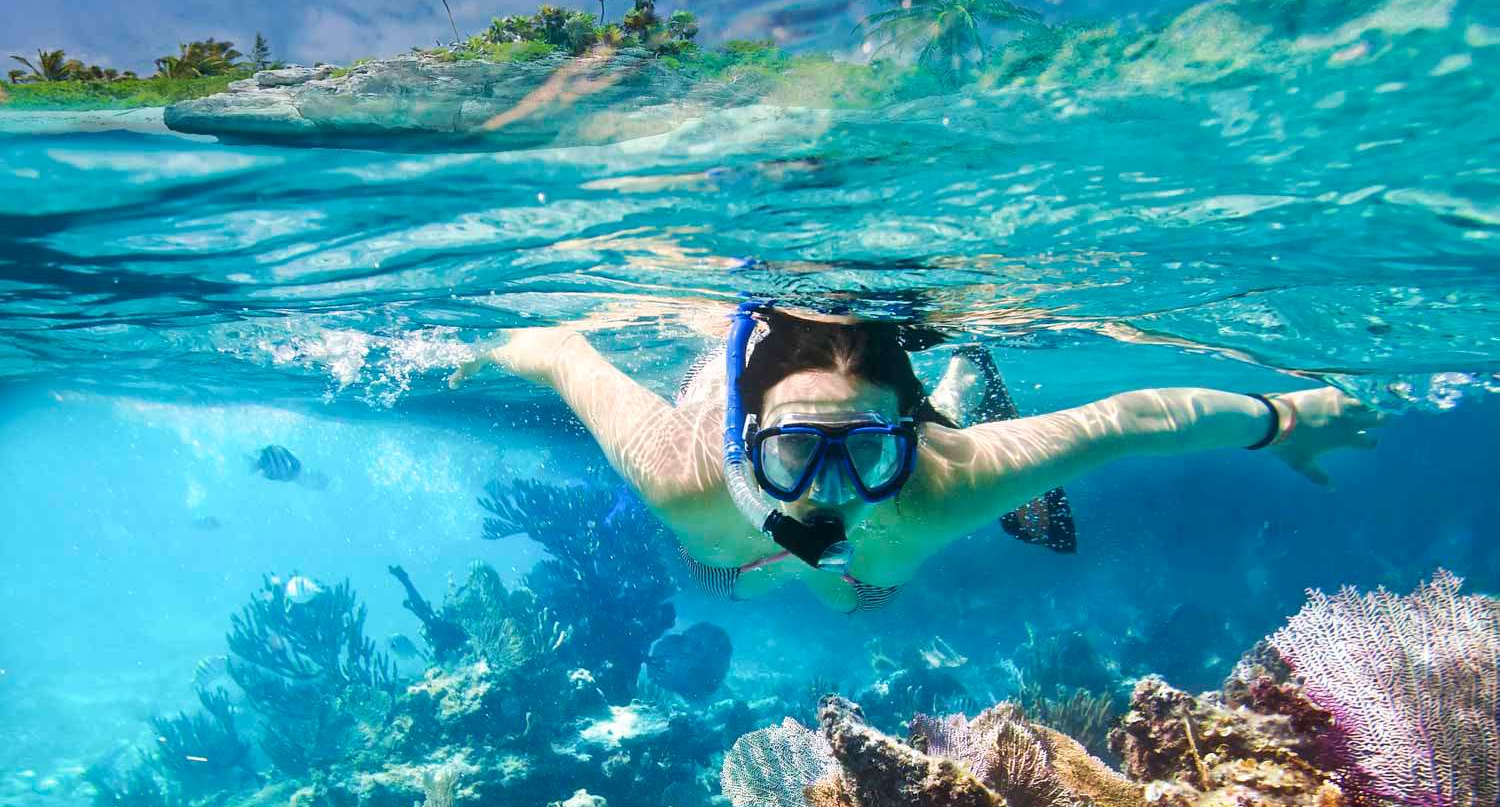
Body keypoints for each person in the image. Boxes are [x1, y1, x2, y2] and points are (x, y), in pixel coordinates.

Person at [450, 304, 1383, 613]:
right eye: (795, 453)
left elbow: (1129, 419)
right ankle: (948, 394)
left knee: (858, 588)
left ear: (907, 441)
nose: (827, 491)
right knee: (753, 573)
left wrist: (1284, 416)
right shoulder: (680, 470)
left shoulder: (943, 479)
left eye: (865, 453)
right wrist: (486, 348)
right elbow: (563, 347)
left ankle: (957, 387)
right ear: (745, 442)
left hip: (905, 478)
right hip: (731, 552)